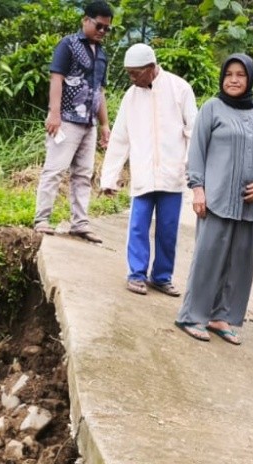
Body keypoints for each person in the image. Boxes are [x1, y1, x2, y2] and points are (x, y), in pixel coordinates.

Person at [174, 54, 253, 344]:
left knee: (240, 262)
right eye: (229, 74)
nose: (233, 79)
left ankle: (222, 317)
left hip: (248, 201)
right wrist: (198, 189)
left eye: (240, 75)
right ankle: (192, 316)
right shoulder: (212, 108)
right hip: (215, 199)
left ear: (250, 79)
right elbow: (197, 151)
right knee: (208, 258)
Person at [99, 43, 197, 296]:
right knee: (138, 226)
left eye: (136, 73)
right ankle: (136, 274)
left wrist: (189, 166)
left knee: (168, 228)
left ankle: (162, 277)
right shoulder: (130, 97)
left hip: (173, 174)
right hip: (143, 173)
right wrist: (109, 178)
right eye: (129, 73)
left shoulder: (179, 88)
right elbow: (120, 138)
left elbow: (193, 131)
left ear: (151, 68)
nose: (132, 78)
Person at [33, 0, 114, 244]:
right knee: (55, 170)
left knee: (83, 174)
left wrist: (104, 125)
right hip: (66, 118)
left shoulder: (102, 54)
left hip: (88, 122)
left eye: (106, 29)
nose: (102, 32)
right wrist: (54, 113)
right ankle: (41, 219)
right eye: (99, 26)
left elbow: (100, 91)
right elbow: (56, 78)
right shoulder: (68, 45)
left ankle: (80, 222)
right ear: (86, 20)